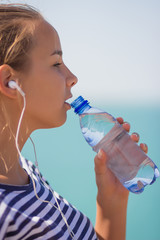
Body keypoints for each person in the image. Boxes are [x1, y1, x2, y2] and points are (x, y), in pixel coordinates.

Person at [0, 4, 148, 240]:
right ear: (9, 81)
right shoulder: (5, 214)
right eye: (56, 63)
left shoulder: (26, 171)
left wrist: (111, 200)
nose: (72, 77)